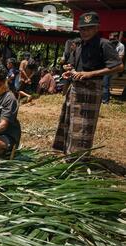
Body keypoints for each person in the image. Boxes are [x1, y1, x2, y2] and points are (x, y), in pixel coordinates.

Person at [53, 12, 123, 156]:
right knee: (70, 122)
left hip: (90, 90)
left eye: (89, 28)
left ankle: (78, 159)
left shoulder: (104, 44)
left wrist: (91, 74)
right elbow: (73, 66)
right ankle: (67, 153)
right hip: (75, 89)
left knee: (83, 126)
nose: (85, 32)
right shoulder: (78, 44)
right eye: (82, 29)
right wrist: (69, 71)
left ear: (96, 28)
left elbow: (119, 66)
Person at [102, 33, 125, 104]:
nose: (110, 40)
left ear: (116, 38)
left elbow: (121, 57)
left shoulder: (121, 46)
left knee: (105, 83)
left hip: (112, 67)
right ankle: (105, 98)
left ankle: (105, 100)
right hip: (105, 66)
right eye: (110, 38)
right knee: (105, 83)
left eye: (112, 38)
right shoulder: (108, 44)